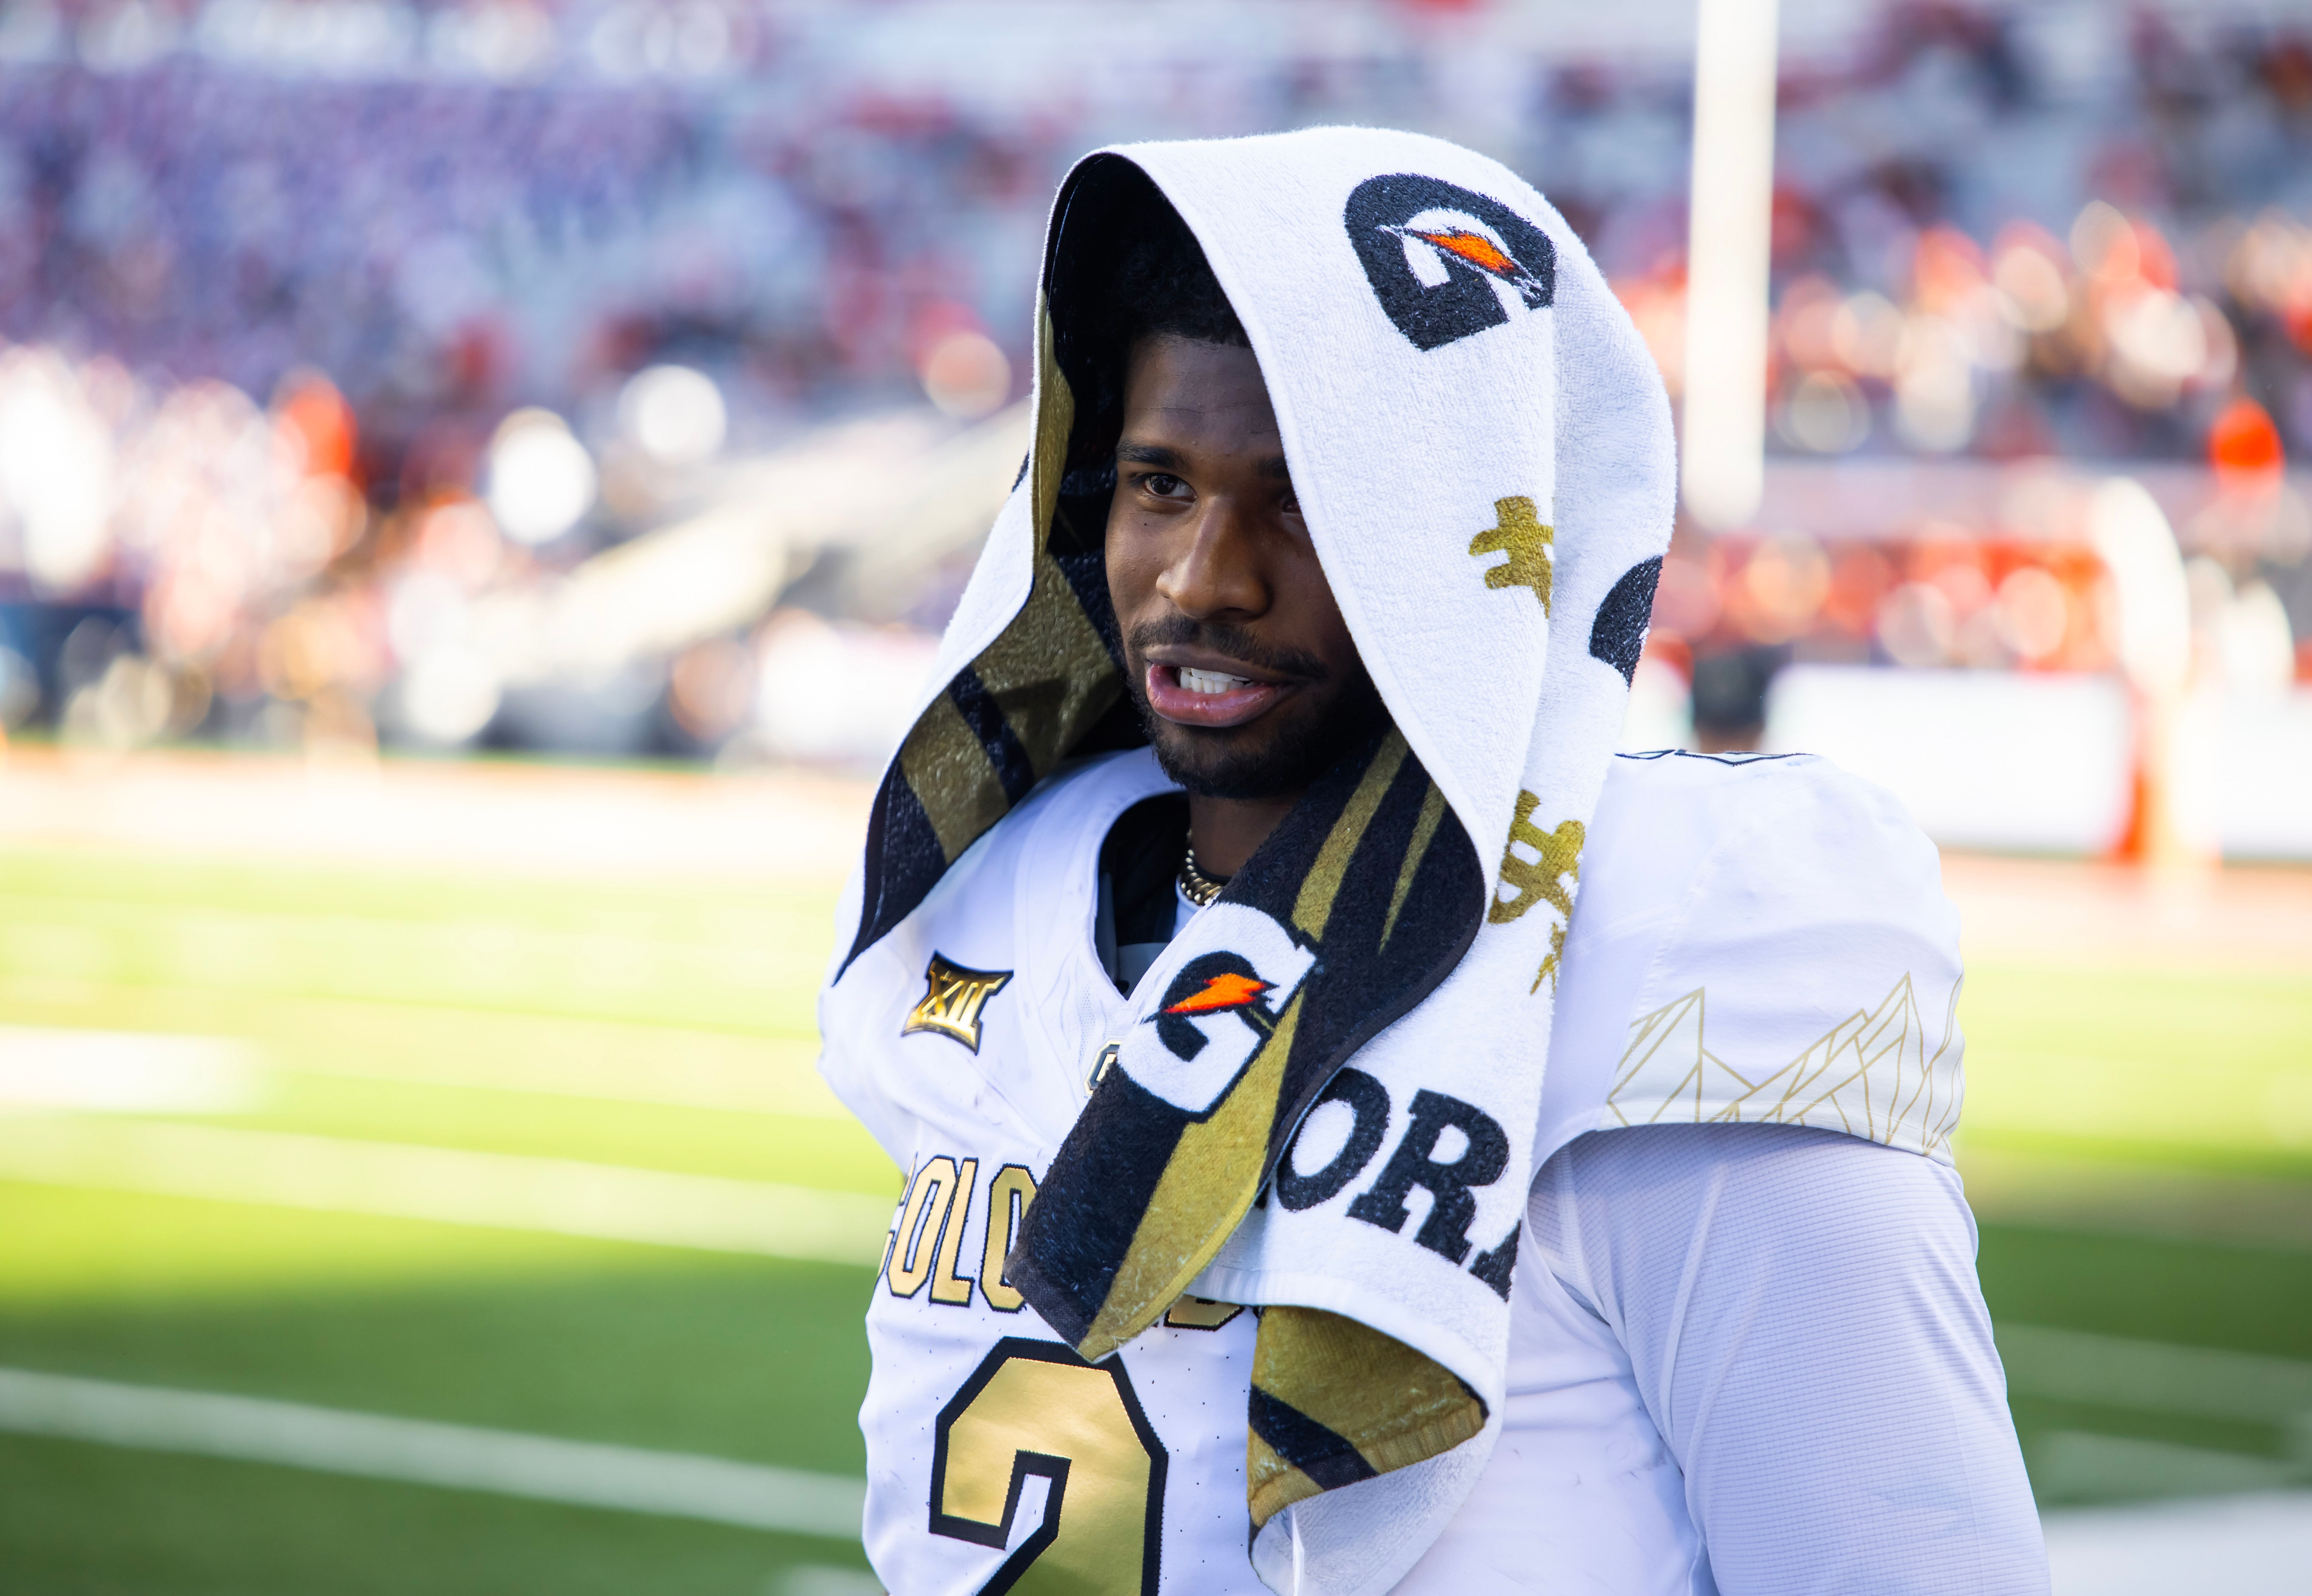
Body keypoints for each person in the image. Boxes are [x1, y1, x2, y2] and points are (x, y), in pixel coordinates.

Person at [817, 129, 2045, 1596]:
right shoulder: (1003, 897)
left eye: (1305, 499)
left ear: (1477, 539)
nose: (1204, 574)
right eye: (1157, 484)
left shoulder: (1669, 957)